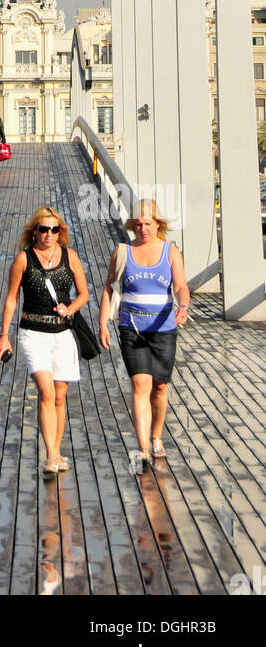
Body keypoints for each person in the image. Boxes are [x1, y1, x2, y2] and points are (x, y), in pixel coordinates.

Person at [0, 205, 89, 477]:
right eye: (43, 229)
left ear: (60, 233)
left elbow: (83, 294)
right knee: (46, 392)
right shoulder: (23, 260)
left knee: (60, 396)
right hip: (33, 332)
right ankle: (50, 455)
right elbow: (12, 298)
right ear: (33, 232)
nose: (49, 234)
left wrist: (69, 310)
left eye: (54, 230)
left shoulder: (70, 257)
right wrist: (4, 335)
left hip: (62, 333)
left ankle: (57, 451)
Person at [98, 200, 190, 468]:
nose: (143, 228)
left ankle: (157, 435)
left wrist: (183, 306)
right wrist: (103, 323)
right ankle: (143, 448)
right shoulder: (123, 251)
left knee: (160, 387)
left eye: (148, 223)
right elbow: (109, 289)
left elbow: (181, 286)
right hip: (132, 327)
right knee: (140, 384)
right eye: (138, 224)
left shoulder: (171, 253)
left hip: (163, 328)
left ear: (158, 225)